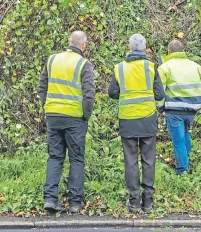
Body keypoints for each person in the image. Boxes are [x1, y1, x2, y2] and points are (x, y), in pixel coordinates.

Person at [39, 30, 95, 213]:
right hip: (75, 118)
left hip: (53, 115)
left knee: (55, 156)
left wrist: (48, 106)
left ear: (69, 41)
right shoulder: (84, 64)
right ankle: (75, 202)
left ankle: (50, 198)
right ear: (84, 45)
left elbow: (42, 86)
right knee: (76, 159)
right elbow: (89, 95)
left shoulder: (52, 60)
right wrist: (85, 116)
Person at [108, 33, 165, 214]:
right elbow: (160, 95)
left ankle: (134, 202)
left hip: (128, 120)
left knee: (131, 161)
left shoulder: (120, 68)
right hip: (148, 120)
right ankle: (147, 202)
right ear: (145, 49)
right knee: (148, 161)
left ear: (129, 47)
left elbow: (112, 93)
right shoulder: (151, 67)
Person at [158, 39, 201, 176]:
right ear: (182, 51)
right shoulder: (195, 66)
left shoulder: (165, 67)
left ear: (169, 52)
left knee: (178, 140)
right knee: (185, 133)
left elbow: (159, 91)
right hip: (192, 109)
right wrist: (197, 102)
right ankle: (191, 160)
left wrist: (159, 107)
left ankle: (182, 171)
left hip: (174, 110)